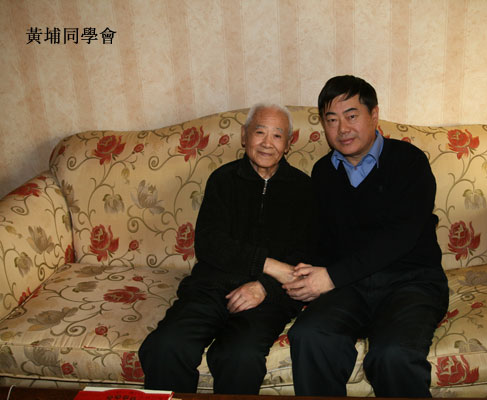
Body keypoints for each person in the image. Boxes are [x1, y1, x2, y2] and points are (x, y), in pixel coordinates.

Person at [283, 75, 449, 397]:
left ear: (374, 115)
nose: (342, 129)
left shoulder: (409, 162)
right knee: (310, 335)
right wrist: (294, 274)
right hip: (350, 288)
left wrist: (331, 277)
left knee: (392, 356)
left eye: (351, 116)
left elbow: (401, 237)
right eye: (332, 120)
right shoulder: (322, 173)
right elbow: (317, 239)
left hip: (410, 283)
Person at [139, 103, 314, 394]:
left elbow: (305, 254)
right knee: (166, 347)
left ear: (288, 144)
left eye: (277, 135)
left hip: (267, 298)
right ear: (244, 136)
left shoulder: (304, 189)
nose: (267, 143)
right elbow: (209, 244)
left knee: (239, 357)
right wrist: (268, 264)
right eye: (259, 132)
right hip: (210, 288)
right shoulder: (223, 179)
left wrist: (264, 286)